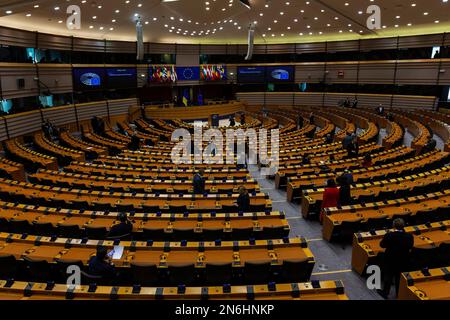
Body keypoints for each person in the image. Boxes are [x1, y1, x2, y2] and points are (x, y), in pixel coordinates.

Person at [377, 218, 414, 299]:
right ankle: (398, 294)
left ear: (393, 226)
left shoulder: (389, 235)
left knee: (388, 276)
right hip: (403, 260)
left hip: (390, 259)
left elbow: (382, 245)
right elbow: (410, 246)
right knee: (399, 278)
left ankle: (385, 293)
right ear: (403, 226)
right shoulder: (409, 236)